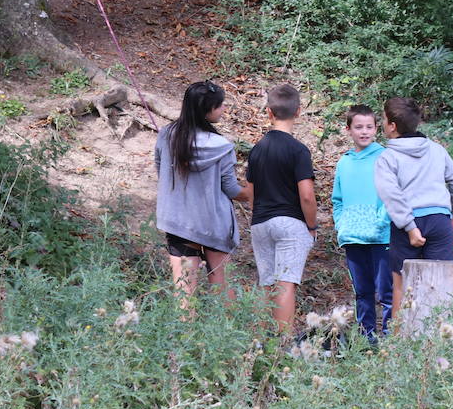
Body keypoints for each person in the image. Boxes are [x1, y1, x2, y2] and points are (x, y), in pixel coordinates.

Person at [154, 81, 252, 304]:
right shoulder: (222, 146)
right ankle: (225, 334)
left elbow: (161, 170)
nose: (224, 109)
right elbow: (231, 189)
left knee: (184, 296)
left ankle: (185, 336)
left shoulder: (167, 135)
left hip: (179, 222)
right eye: (220, 105)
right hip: (213, 225)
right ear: (207, 109)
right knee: (223, 290)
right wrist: (250, 194)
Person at [374, 96, 453, 320]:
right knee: (440, 284)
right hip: (439, 221)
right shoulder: (436, 150)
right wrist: (448, 211)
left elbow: (392, 195)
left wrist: (409, 226)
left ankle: (398, 345)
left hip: (408, 226)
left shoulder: (387, 157)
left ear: (392, 126)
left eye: (383, 119)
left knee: (401, 286)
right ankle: (436, 343)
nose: (382, 123)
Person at [246, 83, 317, 332]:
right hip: (290, 223)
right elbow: (307, 195)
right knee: (286, 283)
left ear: (269, 112)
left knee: (266, 283)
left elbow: (251, 193)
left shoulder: (257, 150)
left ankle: (258, 345)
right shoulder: (298, 150)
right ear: (298, 112)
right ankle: (281, 349)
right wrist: (312, 226)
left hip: (260, 223)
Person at [332, 104, 392, 340]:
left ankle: (389, 339)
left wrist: (382, 220)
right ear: (348, 130)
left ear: (377, 129)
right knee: (362, 292)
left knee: (386, 292)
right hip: (353, 236)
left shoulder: (384, 157)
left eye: (369, 127)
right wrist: (341, 224)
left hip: (380, 236)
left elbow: (392, 194)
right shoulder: (344, 162)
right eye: (358, 127)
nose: (364, 132)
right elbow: (337, 199)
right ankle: (367, 339)